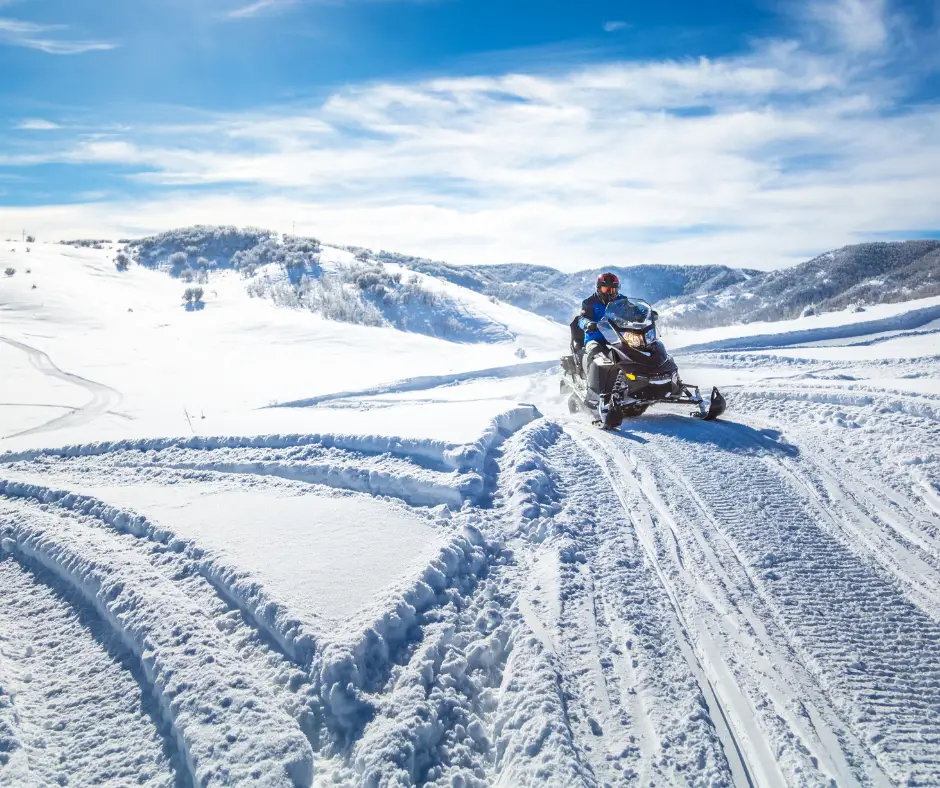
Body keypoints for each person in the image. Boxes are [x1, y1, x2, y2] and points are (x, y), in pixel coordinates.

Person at [577, 272, 620, 382]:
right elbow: (581, 319)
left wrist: (645, 314)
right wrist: (587, 324)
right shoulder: (589, 303)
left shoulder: (621, 301)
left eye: (613, 290)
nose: (610, 293)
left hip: (618, 338)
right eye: (606, 289)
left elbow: (634, 310)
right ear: (599, 288)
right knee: (596, 354)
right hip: (596, 338)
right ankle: (591, 386)